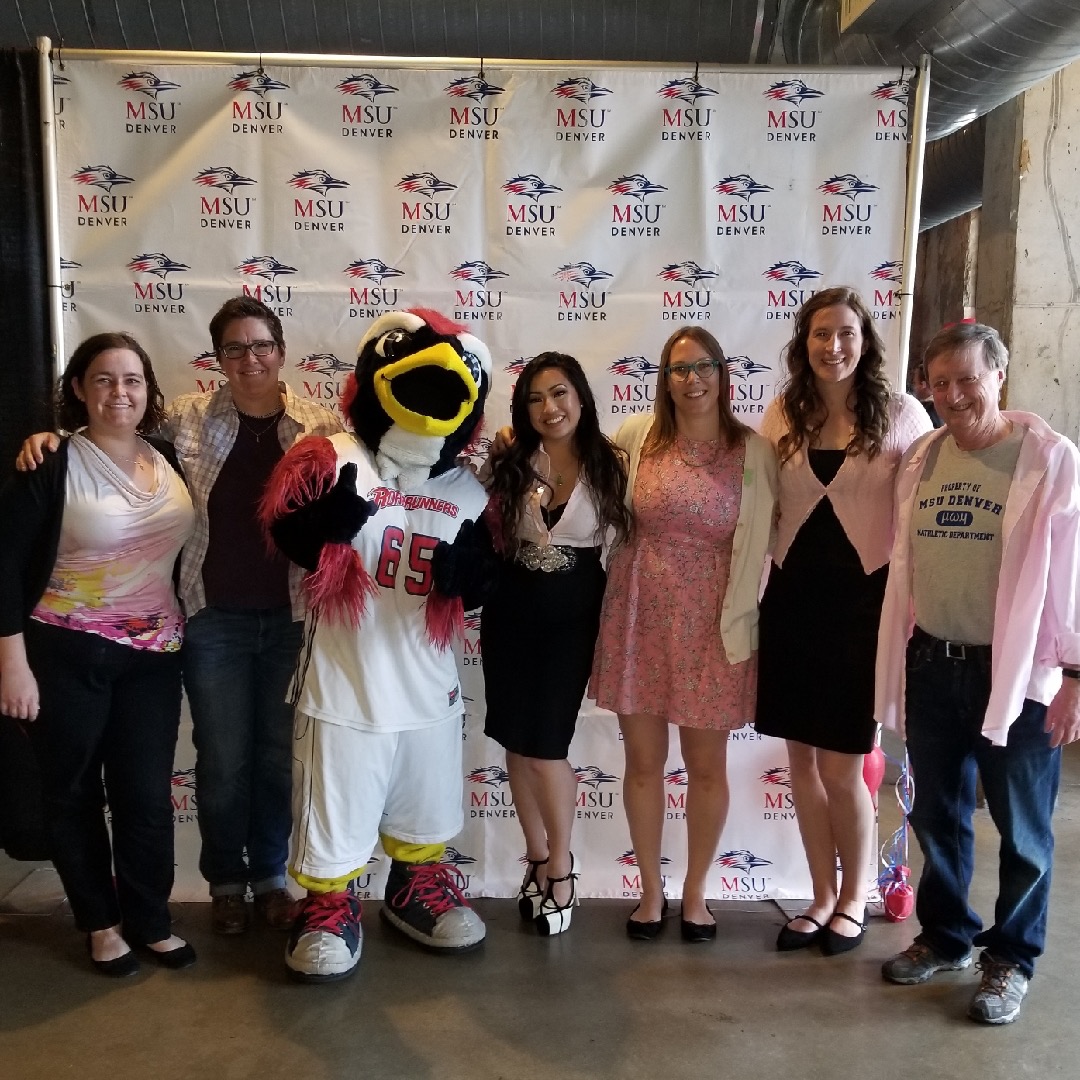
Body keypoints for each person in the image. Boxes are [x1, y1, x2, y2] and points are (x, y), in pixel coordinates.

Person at [18, 296, 343, 934]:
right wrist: (49, 437)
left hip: (293, 618)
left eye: (261, 346)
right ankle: (226, 881)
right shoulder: (186, 422)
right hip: (210, 618)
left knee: (279, 757)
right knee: (222, 760)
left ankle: (273, 878)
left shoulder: (321, 428)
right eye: (234, 348)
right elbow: (109, 441)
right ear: (218, 358)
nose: (250, 359)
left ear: (281, 351)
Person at [876, 321, 1080, 1025]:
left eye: (970, 378)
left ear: (1000, 376)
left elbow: (1072, 574)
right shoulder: (923, 457)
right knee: (937, 814)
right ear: (926, 390)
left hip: (1017, 677)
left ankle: (1011, 960)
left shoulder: (1047, 458)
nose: (956, 394)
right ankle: (947, 935)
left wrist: (1076, 673)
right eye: (941, 382)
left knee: (1023, 831)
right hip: (932, 661)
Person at [0, 333, 196, 975]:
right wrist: (12, 662)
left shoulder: (167, 456)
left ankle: (150, 920)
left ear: (148, 391)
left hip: (155, 656)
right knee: (73, 792)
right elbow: (3, 566)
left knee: (144, 794)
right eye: (105, 379)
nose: (120, 392)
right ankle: (101, 924)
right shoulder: (52, 462)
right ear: (79, 389)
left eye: (133, 379)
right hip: (64, 653)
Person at [755, 287, 932, 955]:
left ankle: (853, 896)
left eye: (847, 333)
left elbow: (919, 517)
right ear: (804, 343)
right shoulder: (783, 415)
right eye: (821, 333)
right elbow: (756, 502)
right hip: (793, 603)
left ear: (866, 341)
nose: (834, 346)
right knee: (801, 761)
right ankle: (820, 895)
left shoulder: (902, 415)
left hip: (865, 608)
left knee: (844, 765)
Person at [589, 325, 777, 941]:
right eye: (677, 370)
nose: (691, 380)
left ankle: (696, 892)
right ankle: (650, 891)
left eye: (702, 367)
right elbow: (584, 482)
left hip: (714, 623)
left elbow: (770, 536)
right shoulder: (636, 438)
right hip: (638, 614)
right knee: (643, 764)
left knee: (707, 767)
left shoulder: (753, 450)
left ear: (724, 376)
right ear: (663, 380)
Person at [482, 352, 632, 935]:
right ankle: (537, 858)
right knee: (516, 746)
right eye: (537, 399)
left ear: (582, 397)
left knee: (548, 746)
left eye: (561, 393)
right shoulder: (511, 459)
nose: (551, 408)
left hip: (573, 615)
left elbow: (621, 548)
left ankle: (564, 870)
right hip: (510, 611)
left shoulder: (611, 462)